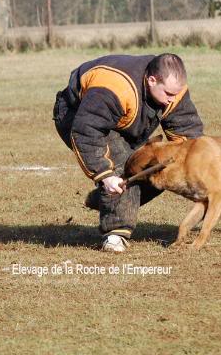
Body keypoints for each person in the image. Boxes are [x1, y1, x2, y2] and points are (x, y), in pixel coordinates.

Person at [53, 53, 204, 252]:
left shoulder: (173, 90)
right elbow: (86, 130)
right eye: (168, 94)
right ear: (152, 80)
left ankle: (102, 200)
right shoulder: (114, 88)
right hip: (77, 115)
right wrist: (105, 176)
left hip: (120, 119)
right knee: (123, 166)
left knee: (160, 168)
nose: (172, 100)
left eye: (175, 94)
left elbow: (189, 137)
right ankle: (115, 234)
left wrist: (204, 177)